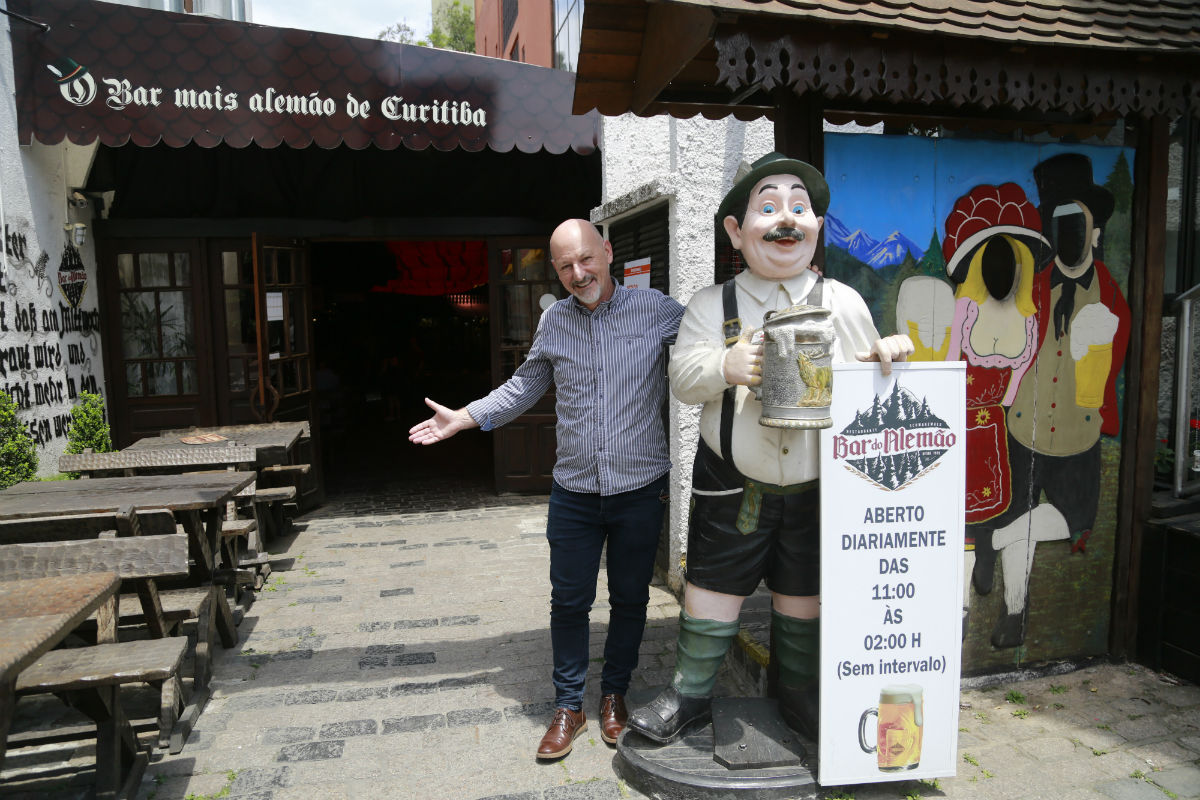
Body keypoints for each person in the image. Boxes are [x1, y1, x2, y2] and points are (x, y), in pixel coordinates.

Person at [627, 152, 913, 745]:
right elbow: (681, 380)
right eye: (768, 207)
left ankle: (798, 694)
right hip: (732, 481)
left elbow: (871, 376)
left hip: (815, 484)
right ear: (737, 230)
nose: (786, 221)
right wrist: (724, 364)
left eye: (798, 208)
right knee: (712, 589)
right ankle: (691, 692)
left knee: (803, 592)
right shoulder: (713, 305)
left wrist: (890, 356)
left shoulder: (845, 302)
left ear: (816, 226)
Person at [408, 219, 685, 759]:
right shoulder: (555, 322)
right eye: (564, 266)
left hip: (638, 488)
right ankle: (568, 706)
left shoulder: (657, 311)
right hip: (575, 493)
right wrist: (465, 417)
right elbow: (525, 384)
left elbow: (708, 344)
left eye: (585, 259)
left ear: (607, 252)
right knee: (569, 601)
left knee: (630, 598)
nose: (578, 274)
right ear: (555, 271)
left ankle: (615, 696)